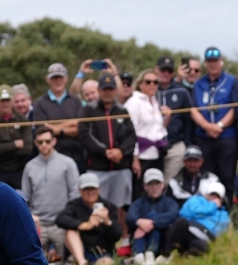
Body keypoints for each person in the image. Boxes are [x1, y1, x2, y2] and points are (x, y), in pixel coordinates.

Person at [79, 74, 137, 227]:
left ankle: (123, 240)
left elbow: (131, 136)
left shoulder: (122, 110)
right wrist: (105, 152)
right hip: (98, 167)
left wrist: (121, 151)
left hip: (121, 166)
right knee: (97, 205)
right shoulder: (89, 110)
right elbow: (85, 135)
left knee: (121, 206)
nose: (108, 93)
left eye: (111, 89)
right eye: (105, 89)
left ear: (115, 90)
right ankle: (100, 239)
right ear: (99, 90)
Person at [22, 127, 81, 260]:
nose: (44, 145)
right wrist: (30, 216)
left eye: (47, 141)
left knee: (66, 262)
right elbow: (25, 197)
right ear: (35, 143)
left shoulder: (68, 163)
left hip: (61, 224)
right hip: (38, 224)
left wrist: (67, 218)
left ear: (54, 141)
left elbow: (75, 194)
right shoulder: (30, 167)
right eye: (40, 142)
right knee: (35, 262)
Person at [190, 47, 238, 201]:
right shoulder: (199, 84)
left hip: (226, 136)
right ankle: (209, 212)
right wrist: (207, 126)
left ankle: (228, 210)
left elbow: (235, 107)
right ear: (205, 63)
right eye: (210, 62)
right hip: (204, 136)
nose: (213, 65)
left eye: (216, 61)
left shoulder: (231, 81)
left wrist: (219, 126)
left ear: (221, 61)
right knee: (207, 176)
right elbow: (193, 109)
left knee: (227, 175)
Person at [55, 172, 122, 265]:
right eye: (86, 189)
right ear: (80, 191)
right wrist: (85, 225)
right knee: (70, 231)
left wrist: (107, 221)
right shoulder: (74, 205)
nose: (90, 192)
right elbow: (60, 219)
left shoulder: (109, 206)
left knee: (106, 264)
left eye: (93, 189)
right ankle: (82, 264)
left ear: (99, 189)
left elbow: (117, 235)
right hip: (81, 251)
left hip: (102, 251)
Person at [125, 70, 168, 200]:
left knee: (156, 191)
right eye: (148, 82)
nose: (152, 85)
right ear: (140, 84)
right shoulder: (134, 102)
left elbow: (157, 129)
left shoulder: (155, 102)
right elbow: (131, 131)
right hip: (141, 155)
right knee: (140, 191)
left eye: (155, 82)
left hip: (156, 154)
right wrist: (135, 158)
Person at [32, 63, 84, 165]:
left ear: (66, 79)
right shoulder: (39, 103)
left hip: (76, 156)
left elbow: (81, 127)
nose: (58, 80)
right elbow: (42, 130)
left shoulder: (76, 100)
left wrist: (57, 129)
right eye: (54, 78)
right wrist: (71, 123)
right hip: (49, 159)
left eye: (60, 77)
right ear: (48, 80)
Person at [126, 168, 179, 265]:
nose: (154, 187)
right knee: (141, 224)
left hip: (161, 239)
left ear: (163, 185)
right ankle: (139, 256)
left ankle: (150, 253)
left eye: (157, 184)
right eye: (151, 184)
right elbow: (130, 216)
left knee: (153, 218)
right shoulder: (139, 203)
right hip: (140, 239)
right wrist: (140, 223)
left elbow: (173, 214)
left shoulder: (169, 202)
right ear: (145, 186)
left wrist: (152, 223)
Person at [0, 86, 33, 189]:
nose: (5, 103)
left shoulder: (22, 120)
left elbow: (27, 149)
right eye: (2, 100)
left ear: (12, 100)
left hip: (18, 171)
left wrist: (0, 146)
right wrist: (15, 144)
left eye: (8, 100)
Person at [163, 180, 229, 257]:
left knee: (201, 247)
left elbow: (220, 232)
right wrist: (212, 206)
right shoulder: (196, 200)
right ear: (207, 194)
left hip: (203, 236)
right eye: (212, 194)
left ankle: (181, 257)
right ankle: (165, 255)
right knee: (181, 222)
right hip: (188, 229)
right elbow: (187, 212)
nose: (214, 197)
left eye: (217, 196)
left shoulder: (223, 214)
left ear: (221, 199)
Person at [156, 56, 194, 181]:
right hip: (152, 146)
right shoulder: (150, 88)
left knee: (171, 185)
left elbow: (188, 120)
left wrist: (188, 144)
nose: (166, 73)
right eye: (163, 70)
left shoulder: (181, 90)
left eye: (169, 71)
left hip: (175, 145)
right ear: (156, 70)